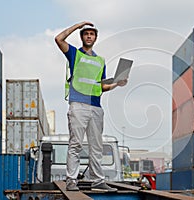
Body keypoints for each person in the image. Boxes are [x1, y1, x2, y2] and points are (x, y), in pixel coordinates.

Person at [55, 21, 127, 191]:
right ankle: (71, 181)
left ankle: (98, 181)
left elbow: (102, 87)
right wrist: (78, 25)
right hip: (78, 105)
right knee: (76, 144)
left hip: (96, 107)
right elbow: (58, 39)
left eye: (92, 34)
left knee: (97, 146)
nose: (89, 36)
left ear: (95, 38)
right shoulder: (74, 54)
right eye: (86, 33)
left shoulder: (101, 61)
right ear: (81, 36)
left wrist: (118, 83)